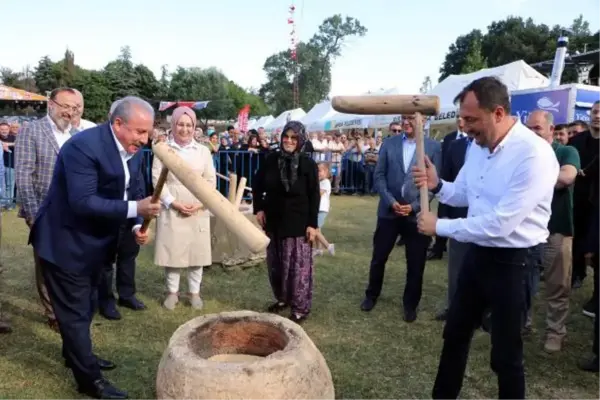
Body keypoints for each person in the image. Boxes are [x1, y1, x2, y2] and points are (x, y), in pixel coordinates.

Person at [413, 76, 558, 400]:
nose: (463, 126)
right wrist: (438, 184)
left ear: (498, 113)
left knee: (505, 355)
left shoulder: (534, 155)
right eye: (462, 118)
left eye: (470, 119)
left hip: (515, 262)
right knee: (454, 335)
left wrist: (441, 228)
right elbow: (463, 193)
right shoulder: (477, 148)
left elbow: (500, 224)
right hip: (478, 256)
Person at [29, 96, 161, 399]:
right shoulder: (83, 147)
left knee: (86, 306)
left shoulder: (134, 151)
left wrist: (135, 224)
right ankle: (90, 381)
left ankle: (74, 355)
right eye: (139, 132)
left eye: (148, 132)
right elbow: (83, 201)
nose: (145, 139)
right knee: (75, 312)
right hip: (65, 244)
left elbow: (130, 193)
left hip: (96, 245)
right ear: (117, 123)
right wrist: (135, 209)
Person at [360, 113, 441, 323]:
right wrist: (391, 202)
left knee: (416, 263)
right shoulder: (389, 144)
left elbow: (433, 185)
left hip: (416, 216)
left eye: (411, 118)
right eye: (403, 117)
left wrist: (413, 207)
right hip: (389, 213)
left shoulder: (433, 147)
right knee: (379, 257)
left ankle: (410, 305)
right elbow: (379, 176)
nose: (406, 122)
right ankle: (371, 295)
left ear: (422, 121)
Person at [15, 87, 81, 332]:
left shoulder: (78, 134)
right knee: (46, 263)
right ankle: (53, 312)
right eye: (65, 106)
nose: (70, 112)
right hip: (45, 212)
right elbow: (23, 175)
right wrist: (33, 215)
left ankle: (69, 305)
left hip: (76, 212)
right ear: (51, 104)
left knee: (71, 262)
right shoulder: (31, 131)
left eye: (74, 108)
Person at [252, 120, 320, 323]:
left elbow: (314, 195)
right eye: (286, 137)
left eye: (294, 138)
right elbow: (257, 184)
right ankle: (282, 298)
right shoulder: (271, 159)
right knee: (277, 265)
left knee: (297, 268)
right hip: (274, 221)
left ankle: (300, 307)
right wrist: (259, 208)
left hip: (298, 223)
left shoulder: (308, 164)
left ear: (300, 140)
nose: (289, 141)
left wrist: (312, 224)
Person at [152, 106, 216, 310]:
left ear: (194, 127)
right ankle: (172, 293)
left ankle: (194, 292)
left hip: (198, 205)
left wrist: (200, 203)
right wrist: (172, 202)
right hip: (173, 205)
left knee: (197, 252)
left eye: (189, 125)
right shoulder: (163, 149)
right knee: (173, 251)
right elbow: (156, 180)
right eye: (181, 124)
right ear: (173, 125)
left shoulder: (203, 151)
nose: (185, 129)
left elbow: (210, 180)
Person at [526, 110, 579, 353]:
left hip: (556, 228)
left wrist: (533, 178)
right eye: (529, 128)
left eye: (537, 127)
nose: (532, 132)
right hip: (526, 229)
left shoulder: (566, 151)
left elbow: (567, 177)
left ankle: (555, 331)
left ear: (550, 128)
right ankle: (521, 323)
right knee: (524, 280)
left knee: (557, 284)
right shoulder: (524, 153)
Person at [97, 98, 147, 321]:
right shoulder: (98, 150)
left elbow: (138, 186)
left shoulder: (137, 152)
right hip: (107, 215)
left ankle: (127, 295)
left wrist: (138, 222)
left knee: (128, 255)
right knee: (105, 260)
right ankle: (106, 301)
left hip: (130, 215)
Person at [435, 120, 472, 322]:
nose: (464, 122)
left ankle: (483, 313)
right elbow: (451, 184)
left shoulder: (500, 149)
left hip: (487, 221)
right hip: (457, 214)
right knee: (456, 266)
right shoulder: (456, 146)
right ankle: (454, 308)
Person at [427, 117, 467, 261]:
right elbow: (445, 162)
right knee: (444, 213)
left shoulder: (477, 142)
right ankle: (438, 248)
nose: (460, 121)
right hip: (448, 184)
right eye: (459, 118)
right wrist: (440, 183)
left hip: (465, 190)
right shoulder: (450, 139)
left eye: (464, 118)